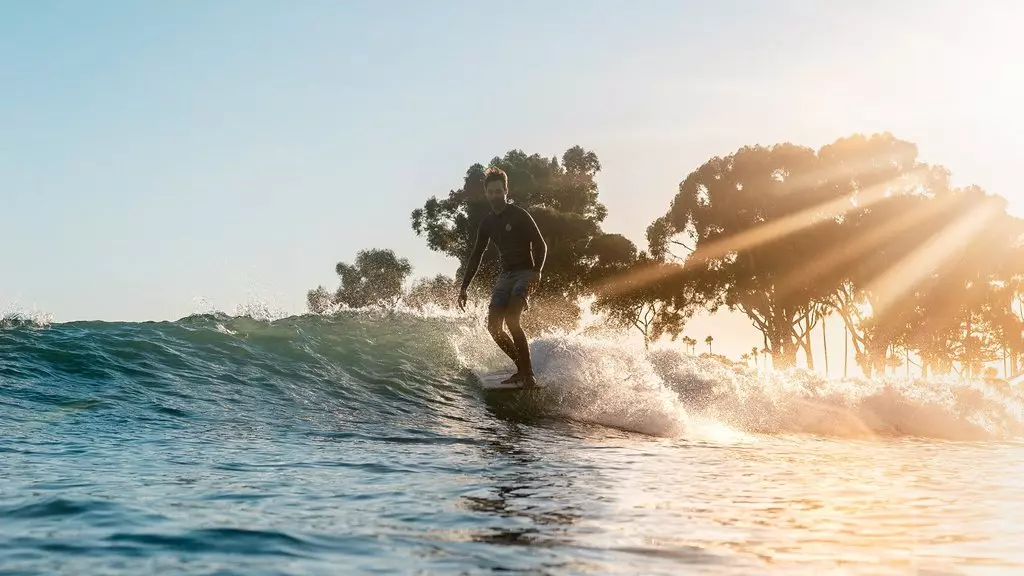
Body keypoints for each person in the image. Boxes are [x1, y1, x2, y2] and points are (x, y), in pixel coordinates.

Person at [457, 166, 547, 388]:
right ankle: (522, 369)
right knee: (494, 327)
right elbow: (476, 254)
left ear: (506, 191)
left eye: (499, 191)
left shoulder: (519, 215)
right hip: (505, 277)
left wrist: (537, 272)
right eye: (491, 192)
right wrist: (464, 287)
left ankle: (528, 374)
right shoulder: (487, 223)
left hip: (525, 273)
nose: (496, 195)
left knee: (512, 319)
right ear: (486, 193)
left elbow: (540, 244)